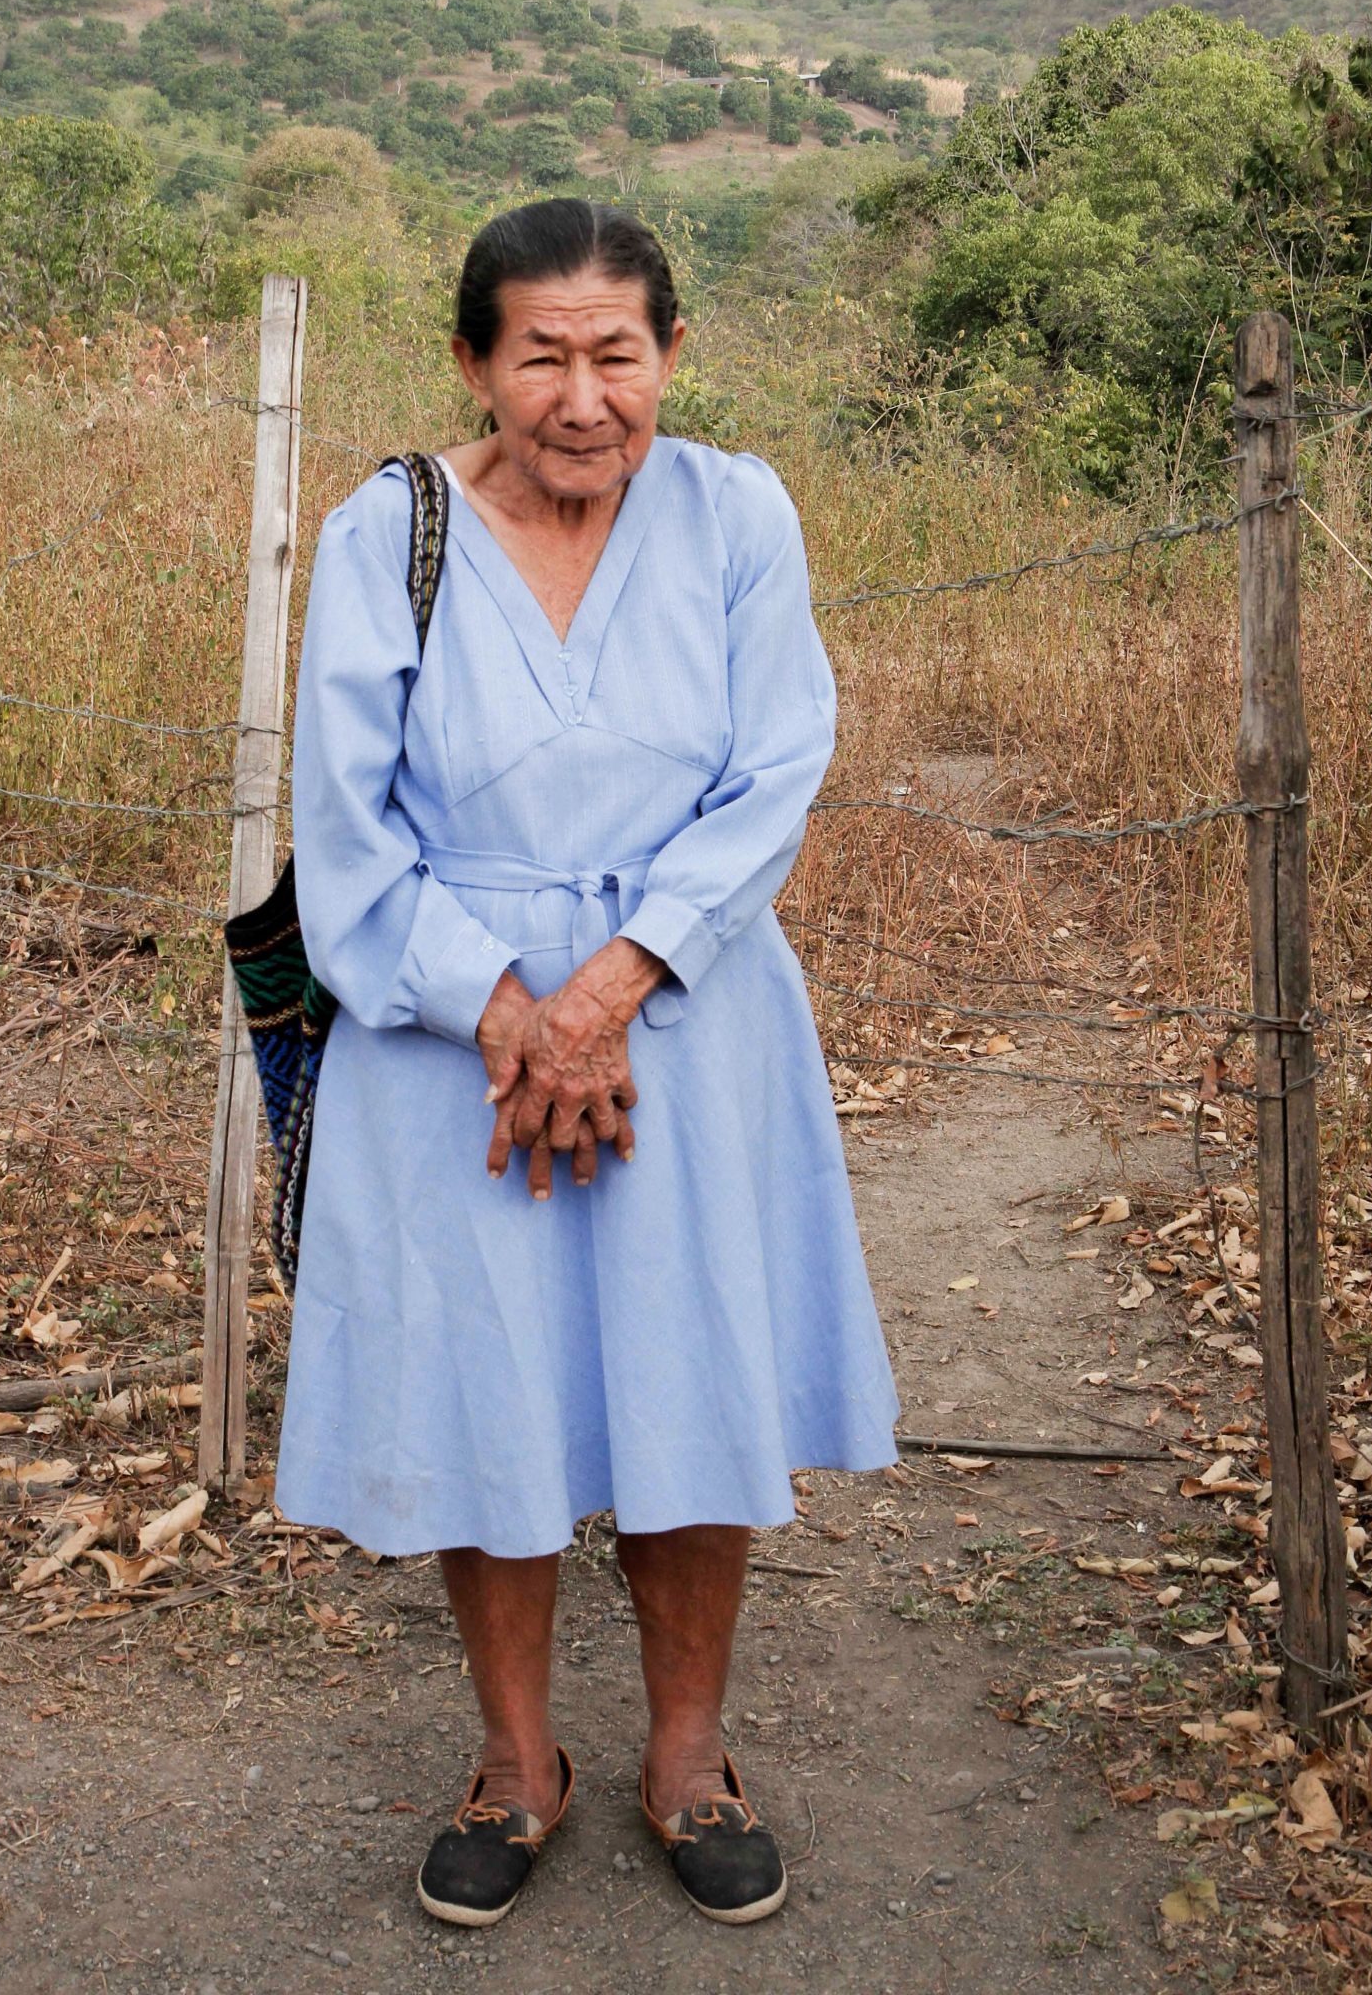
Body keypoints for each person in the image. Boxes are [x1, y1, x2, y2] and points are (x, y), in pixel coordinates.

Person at [277, 197, 898, 1929]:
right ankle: (516, 1758)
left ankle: (689, 1755)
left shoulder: (736, 513)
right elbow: (346, 824)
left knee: (693, 1377)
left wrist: (607, 991)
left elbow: (776, 765)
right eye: (539, 352)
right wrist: (509, 1015)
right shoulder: (380, 532)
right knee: (497, 1388)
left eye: (615, 353)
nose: (581, 395)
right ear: (475, 361)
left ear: (669, 359)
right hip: (448, 1042)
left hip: (688, 1016)